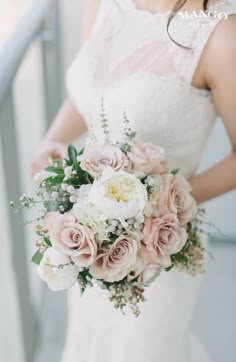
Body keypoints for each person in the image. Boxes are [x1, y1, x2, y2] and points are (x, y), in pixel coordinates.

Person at [31, 1, 236, 361]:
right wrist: (54, 138)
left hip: (160, 254)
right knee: (90, 345)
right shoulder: (104, 4)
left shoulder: (220, 34)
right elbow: (92, 95)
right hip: (91, 236)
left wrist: (160, 209)